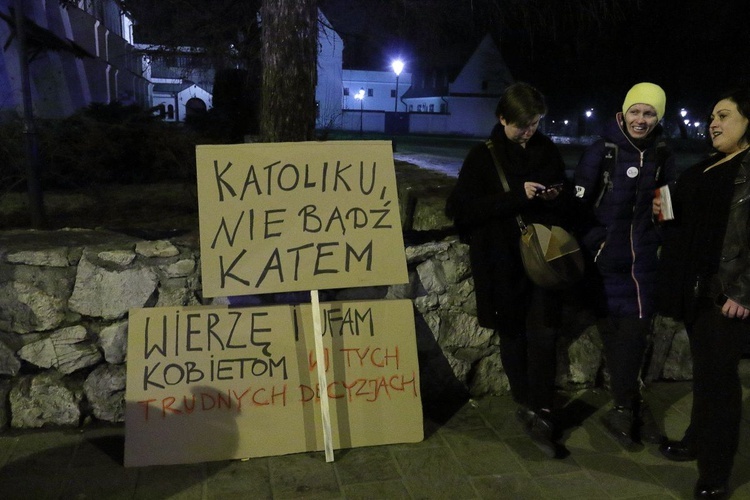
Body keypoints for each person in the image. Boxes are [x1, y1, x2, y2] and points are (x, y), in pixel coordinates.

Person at [445, 82, 574, 458]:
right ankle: (527, 402)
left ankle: (544, 408)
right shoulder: (481, 157)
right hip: (501, 262)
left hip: (543, 259)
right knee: (513, 335)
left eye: (534, 123)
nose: (529, 131)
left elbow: (564, 197)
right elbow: (461, 209)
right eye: (522, 125)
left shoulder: (547, 150)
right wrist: (517, 196)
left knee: (545, 333)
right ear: (503, 119)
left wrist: (554, 195)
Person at [655, 86, 750, 500]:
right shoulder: (715, 162)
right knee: (706, 377)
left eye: (724, 115)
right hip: (697, 292)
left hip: (725, 297)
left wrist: (744, 292)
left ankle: (715, 474)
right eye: (713, 115)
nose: (714, 122)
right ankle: (697, 440)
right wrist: (667, 208)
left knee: (720, 384)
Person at [573, 82, 676, 448]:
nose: (641, 119)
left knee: (634, 337)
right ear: (624, 112)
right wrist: (595, 245)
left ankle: (627, 406)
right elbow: (578, 206)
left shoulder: (662, 151)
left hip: (642, 262)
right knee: (616, 338)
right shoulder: (603, 150)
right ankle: (625, 407)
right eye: (636, 111)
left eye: (649, 113)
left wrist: (660, 237)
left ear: (657, 117)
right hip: (605, 263)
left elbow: (666, 204)